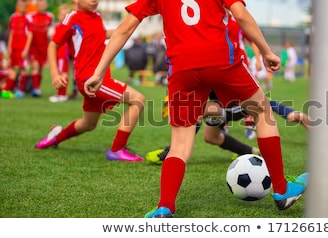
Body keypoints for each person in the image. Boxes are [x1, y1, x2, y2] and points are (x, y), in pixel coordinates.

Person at [84, 0, 309, 218]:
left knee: (180, 144)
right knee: (262, 112)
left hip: (182, 69)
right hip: (222, 61)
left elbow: (125, 29)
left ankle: (165, 207)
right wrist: (266, 51)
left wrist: (99, 72)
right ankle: (281, 190)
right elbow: (240, 15)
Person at [35, 0, 146, 163]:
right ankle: (117, 149)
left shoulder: (96, 16)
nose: (94, 1)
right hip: (91, 80)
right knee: (138, 100)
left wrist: (128, 28)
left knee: (88, 124)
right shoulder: (72, 18)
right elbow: (53, 45)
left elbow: (102, 34)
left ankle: (55, 138)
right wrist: (55, 74)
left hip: (96, 79)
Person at [146, 91, 310, 165]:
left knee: (196, 109)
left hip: (231, 104)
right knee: (211, 137)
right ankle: (251, 152)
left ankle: (169, 152)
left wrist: (289, 113)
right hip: (219, 106)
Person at [15, 0, 54, 98]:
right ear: (36, 5)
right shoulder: (30, 16)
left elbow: (50, 32)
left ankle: (36, 88)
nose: (41, 6)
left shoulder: (50, 17)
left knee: (40, 68)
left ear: (46, 5)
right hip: (33, 47)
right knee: (34, 67)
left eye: (43, 4)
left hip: (44, 46)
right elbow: (27, 31)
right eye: (39, 4)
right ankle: (33, 90)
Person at [1, 0, 32, 99]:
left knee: (23, 69)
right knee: (12, 68)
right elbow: (12, 32)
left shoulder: (28, 18)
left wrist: (26, 49)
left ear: (26, 6)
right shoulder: (13, 17)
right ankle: (6, 91)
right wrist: (9, 47)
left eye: (24, 5)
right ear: (17, 5)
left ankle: (21, 90)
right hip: (14, 48)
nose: (22, 7)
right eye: (20, 5)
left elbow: (30, 34)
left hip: (22, 48)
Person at [48, 3, 71, 102]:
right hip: (58, 54)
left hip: (63, 54)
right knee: (59, 73)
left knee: (63, 73)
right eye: (62, 15)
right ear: (58, 15)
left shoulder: (68, 27)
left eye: (66, 15)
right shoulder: (58, 27)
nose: (63, 17)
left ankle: (63, 94)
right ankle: (59, 93)